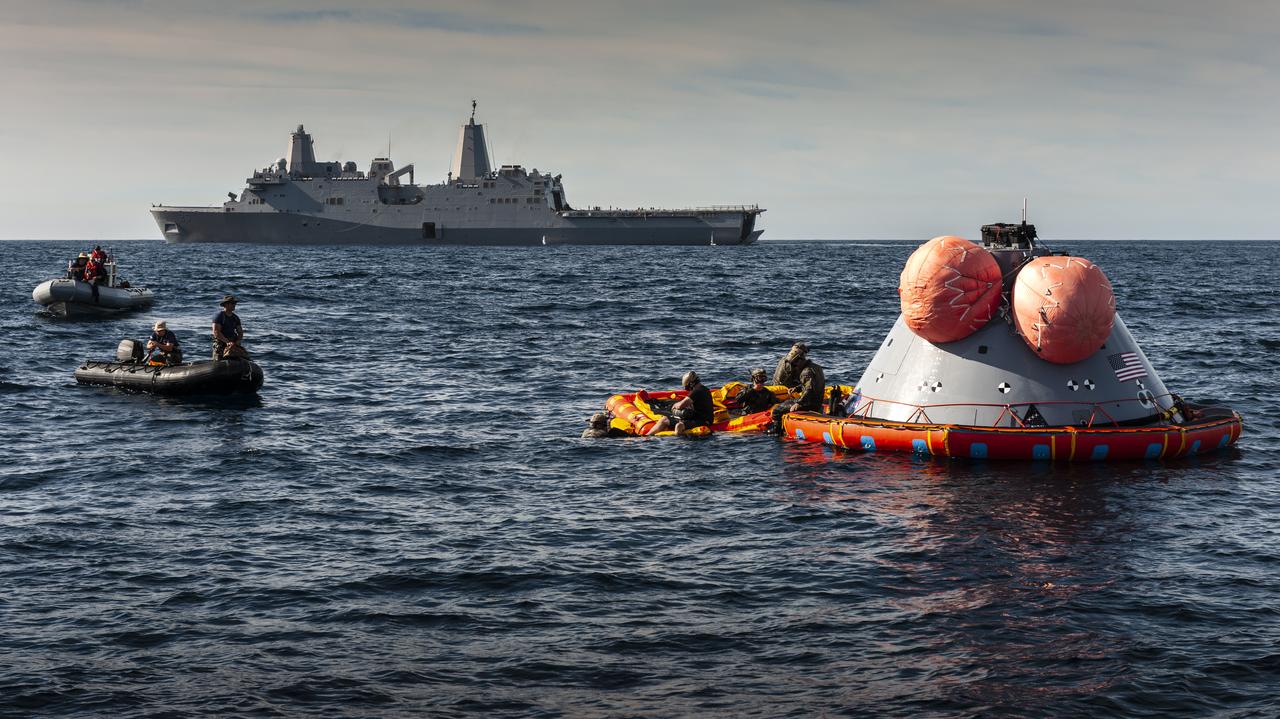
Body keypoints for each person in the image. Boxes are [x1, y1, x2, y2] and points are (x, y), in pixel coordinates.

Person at [645, 371, 714, 436]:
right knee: (664, 419)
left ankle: (678, 443)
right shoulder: (703, 389)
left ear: (691, 383)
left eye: (686, 387)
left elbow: (681, 405)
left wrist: (675, 406)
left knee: (679, 426)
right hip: (695, 417)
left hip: (703, 421)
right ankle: (647, 436)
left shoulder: (697, 391)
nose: (687, 390)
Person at [769, 354, 826, 433]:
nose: (794, 367)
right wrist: (796, 388)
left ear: (800, 361)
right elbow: (811, 384)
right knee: (788, 402)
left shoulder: (806, 372)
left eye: (794, 364)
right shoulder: (816, 367)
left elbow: (809, 389)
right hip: (818, 402)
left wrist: (799, 403)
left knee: (777, 410)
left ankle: (777, 431)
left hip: (809, 403)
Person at [211, 295, 245, 360]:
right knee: (218, 363)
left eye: (235, 303)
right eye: (232, 303)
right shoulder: (219, 316)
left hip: (233, 344)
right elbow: (216, 332)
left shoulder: (235, 318)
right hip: (221, 343)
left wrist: (238, 340)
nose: (234, 305)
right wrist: (227, 342)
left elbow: (240, 332)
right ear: (226, 304)